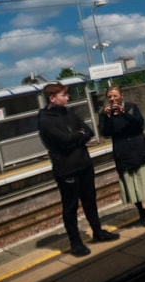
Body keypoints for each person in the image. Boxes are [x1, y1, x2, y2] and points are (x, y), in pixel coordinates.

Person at [37, 82, 120, 257]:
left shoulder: (69, 113)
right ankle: (75, 243)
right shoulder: (45, 120)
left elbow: (88, 131)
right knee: (70, 207)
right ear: (52, 98)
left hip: (84, 165)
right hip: (67, 170)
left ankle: (98, 232)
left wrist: (76, 137)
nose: (68, 98)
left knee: (90, 201)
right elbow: (64, 141)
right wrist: (78, 136)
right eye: (64, 95)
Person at [98, 84, 145, 226]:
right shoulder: (104, 113)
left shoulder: (131, 107)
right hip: (122, 150)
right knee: (130, 184)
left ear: (121, 96)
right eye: (110, 97)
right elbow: (105, 133)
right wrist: (106, 118)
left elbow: (139, 123)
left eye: (115, 96)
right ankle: (141, 212)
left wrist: (124, 113)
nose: (112, 99)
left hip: (138, 147)